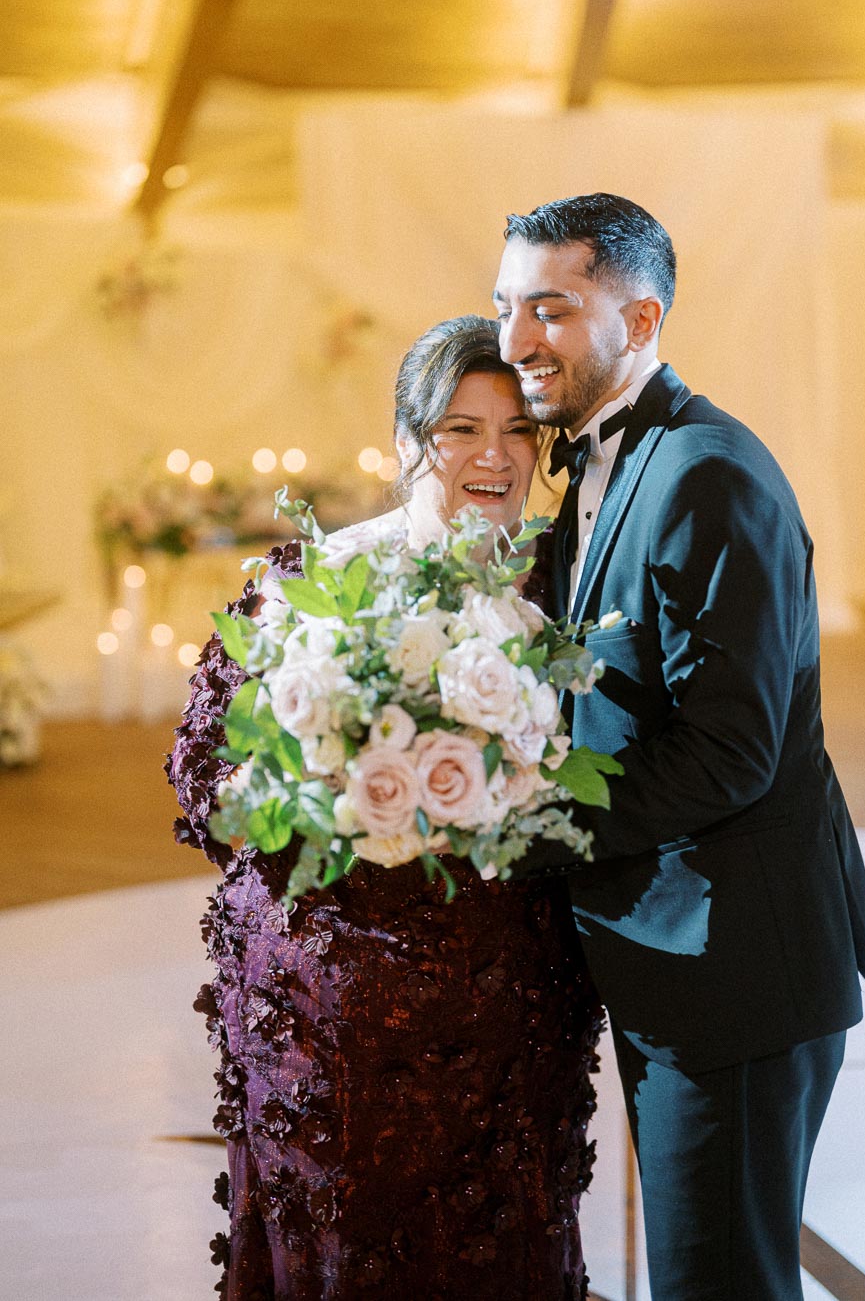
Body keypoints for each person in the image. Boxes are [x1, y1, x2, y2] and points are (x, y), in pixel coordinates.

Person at [492, 192, 865, 1300]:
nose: (518, 339)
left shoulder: (705, 473)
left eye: (552, 309)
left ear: (644, 321)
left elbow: (730, 752)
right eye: (506, 306)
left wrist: (519, 833)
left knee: (720, 1284)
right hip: (677, 962)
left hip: (739, 972)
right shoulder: (601, 467)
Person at [167, 314, 604, 1301]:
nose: (493, 455)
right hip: (331, 1015)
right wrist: (331, 791)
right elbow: (202, 769)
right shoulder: (309, 582)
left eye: (517, 431)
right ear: (408, 440)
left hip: (509, 1011)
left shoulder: (567, 596)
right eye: (460, 428)